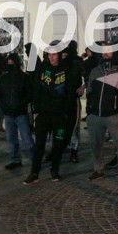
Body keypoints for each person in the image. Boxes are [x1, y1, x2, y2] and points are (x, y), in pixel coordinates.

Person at [24, 41, 80, 184]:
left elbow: (70, 92)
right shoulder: (43, 68)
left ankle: (55, 169)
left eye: (54, 54)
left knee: (59, 142)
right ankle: (34, 172)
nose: (51, 57)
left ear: (61, 55)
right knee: (39, 144)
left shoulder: (68, 69)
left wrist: (66, 112)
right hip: (43, 115)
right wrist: (36, 110)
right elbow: (36, 89)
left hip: (60, 116)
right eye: (49, 54)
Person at [86, 41, 118, 182]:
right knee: (96, 145)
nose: (106, 52)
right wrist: (90, 111)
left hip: (113, 115)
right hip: (95, 115)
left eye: (109, 50)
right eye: (104, 50)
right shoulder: (95, 71)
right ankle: (98, 170)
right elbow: (90, 91)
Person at [0, 53, 34, 170]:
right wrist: (4, 106)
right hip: (8, 114)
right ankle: (15, 159)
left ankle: (34, 159)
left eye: (12, 63)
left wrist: (20, 104)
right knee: (11, 140)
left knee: (27, 139)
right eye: (9, 63)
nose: (10, 65)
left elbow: (29, 94)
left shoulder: (25, 77)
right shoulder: (4, 78)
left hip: (20, 113)